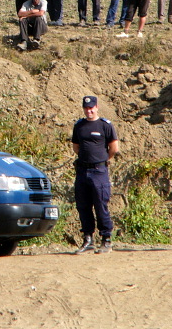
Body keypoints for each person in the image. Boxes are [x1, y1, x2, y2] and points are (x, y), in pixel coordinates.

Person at [72, 96, 119, 255]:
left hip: (99, 171)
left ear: (97, 107)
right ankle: (88, 240)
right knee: (83, 206)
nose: (89, 111)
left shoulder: (105, 125)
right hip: (82, 171)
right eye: (86, 108)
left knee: (100, 205)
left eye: (91, 108)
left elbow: (114, 148)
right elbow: (76, 147)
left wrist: (101, 160)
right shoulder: (79, 126)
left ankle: (106, 239)